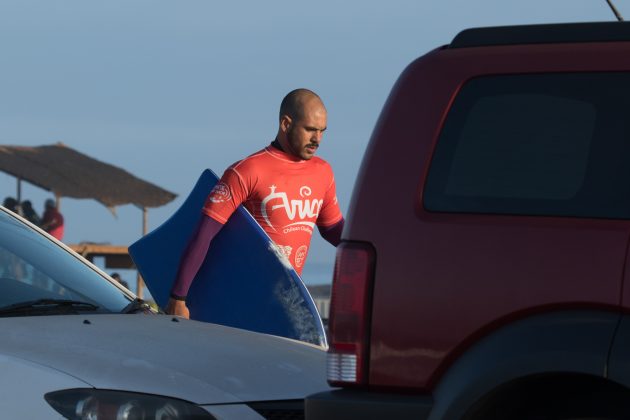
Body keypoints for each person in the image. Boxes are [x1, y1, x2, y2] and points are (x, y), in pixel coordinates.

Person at [166, 88, 344, 318]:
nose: (317, 139)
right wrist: (178, 298)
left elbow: (332, 229)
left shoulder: (323, 172)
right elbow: (204, 234)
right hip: (241, 297)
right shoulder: (248, 171)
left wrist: (378, 252)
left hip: (286, 301)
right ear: (286, 124)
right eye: (310, 129)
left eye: (322, 131)